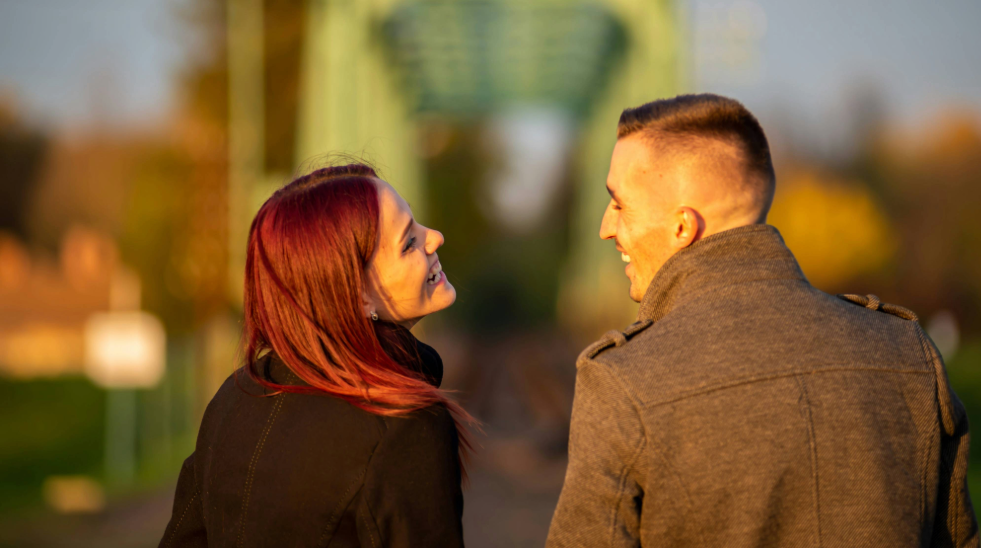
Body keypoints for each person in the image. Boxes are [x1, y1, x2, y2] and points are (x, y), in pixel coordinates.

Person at [546, 94, 978, 547]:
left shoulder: (623, 383)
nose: (605, 227)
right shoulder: (908, 354)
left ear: (682, 227)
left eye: (618, 204)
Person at [158, 163, 473, 547]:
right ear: (356, 296)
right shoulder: (404, 425)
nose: (435, 238)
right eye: (408, 243)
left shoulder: (232, 399)